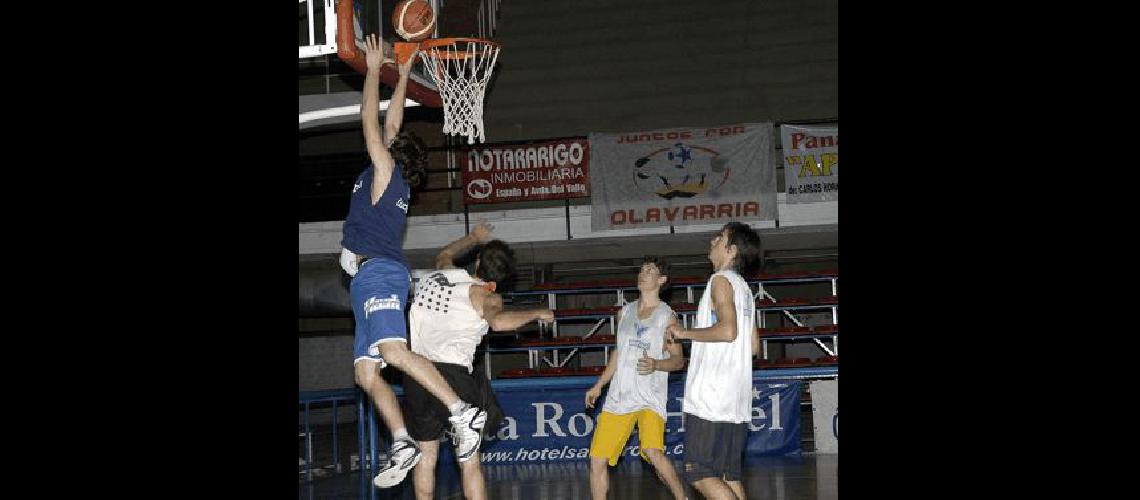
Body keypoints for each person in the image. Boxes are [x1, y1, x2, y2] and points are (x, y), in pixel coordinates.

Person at [338, 34, 488, 489]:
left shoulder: (385, 171)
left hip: (380, 272)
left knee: (393, 353)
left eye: (388, 143)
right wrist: (401, 73)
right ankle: (402, 440)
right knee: (367, 373)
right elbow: (392, 122)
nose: (385, 138)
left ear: (392, 155)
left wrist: (371, 70)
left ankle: (464, 413)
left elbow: (371, 120)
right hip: (369, 276)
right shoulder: (387, 177)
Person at [406, 222, 555, 500]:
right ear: (500, 280)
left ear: (476, 261)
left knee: (426, 456)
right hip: (453, 379)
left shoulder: (441, 272)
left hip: (416, 373)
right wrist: (537, 313)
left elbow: (445, 253)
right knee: (469, 461)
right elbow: (497, 323)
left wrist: (473, 237)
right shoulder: (487, 296)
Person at [665, 222, 762, 500]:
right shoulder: (744, 289)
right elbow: (753, 346)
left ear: (731, 250)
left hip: (712, 397)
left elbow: (728, 330)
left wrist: (684, 332)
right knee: (728, 477)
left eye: (719, 238)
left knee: (699, 472)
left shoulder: (719, 281)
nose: (712, 241)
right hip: (736, 399)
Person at [585, 256, 688, 500]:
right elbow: (619, 353)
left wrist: (656, 364)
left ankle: (682, 498)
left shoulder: (668, 317)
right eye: (641, 270)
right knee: (597, 460)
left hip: (649, 397)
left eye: (650, 270)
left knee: (653, 452)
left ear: (661, 280)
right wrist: (599, 385)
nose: (643, 274)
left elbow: (678, 361)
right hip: (619, 396)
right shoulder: (624, 313)